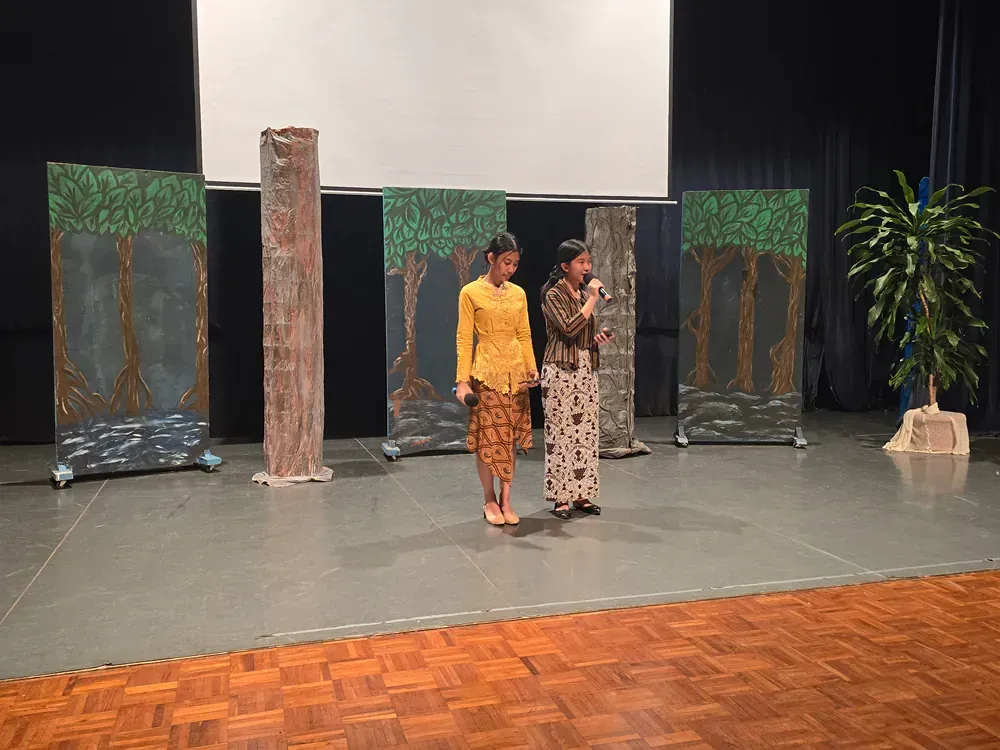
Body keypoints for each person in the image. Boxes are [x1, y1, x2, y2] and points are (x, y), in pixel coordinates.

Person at [455, 232, 538, 526]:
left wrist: (531, 368)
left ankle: (506, 499)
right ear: (491, 258)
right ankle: (489, 498)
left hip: (516, 375)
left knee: (510, 437)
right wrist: (462, 380)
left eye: (515, 264)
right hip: (487, 373)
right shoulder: (470, 293)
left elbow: (524, 334)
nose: (510, 269)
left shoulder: (519, 294)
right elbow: (465, 338)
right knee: (489, 438)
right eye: (506, 262)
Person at [539, 239, 613, 519]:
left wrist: (597, 340)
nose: (587, 267)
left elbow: (581, 335)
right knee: (561, 434)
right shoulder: (553, 294)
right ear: (565, 266)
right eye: (581, 262)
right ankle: (561, 498)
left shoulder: (582, 294)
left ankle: (581, 494)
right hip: (560, 371)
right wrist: (593, 298)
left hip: (584, 369)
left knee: (584, 434)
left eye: (589, 261)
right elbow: (568, 328)